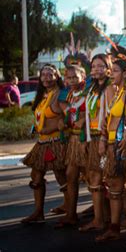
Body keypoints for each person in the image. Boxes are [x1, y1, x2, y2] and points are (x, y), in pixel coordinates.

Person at [95, 56, 126, 242]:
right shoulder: (118, 91)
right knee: (115, 188)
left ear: (125, 73)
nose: (111, 74)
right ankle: (114, 228)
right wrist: (103, 139)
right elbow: (110, 120)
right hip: (112, 147)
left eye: (115, 70)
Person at [21, 64, 68, 224]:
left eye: (50, 75)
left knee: (61, 175)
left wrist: (56, 126)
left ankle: (69, 208)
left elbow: (69, 117)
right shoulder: (42, 96)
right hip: (42, 142)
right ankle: (38, 212)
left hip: (56, 142)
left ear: (57, 77)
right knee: (36, 175)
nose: (47, 78)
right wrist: (38, 127)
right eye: (44, 75)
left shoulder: (60, 94)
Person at [78, 54, 112, 232]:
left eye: (101, 66)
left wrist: (104, 139)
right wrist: (85, 138)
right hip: (93, 138)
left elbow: (110, 115)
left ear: (108, 69)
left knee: (112, 180)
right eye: (94, 66)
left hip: (105, 137)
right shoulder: (92, 89)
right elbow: (87, 116)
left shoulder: (110, 88)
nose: (96, 69)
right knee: (95, 178)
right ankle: (100, 219)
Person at [55, 65, 88, 228]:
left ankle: (125, 215)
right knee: (70, 175)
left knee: (94, 179)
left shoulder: (88, 93)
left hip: (87, 140)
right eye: (68, 77)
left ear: (83, 76)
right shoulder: (68, 95)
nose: (72, 80)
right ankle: (71, 214)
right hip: (74, 139)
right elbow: (68, 116)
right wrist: (62, 122)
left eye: (75, 77)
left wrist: (85, 120)